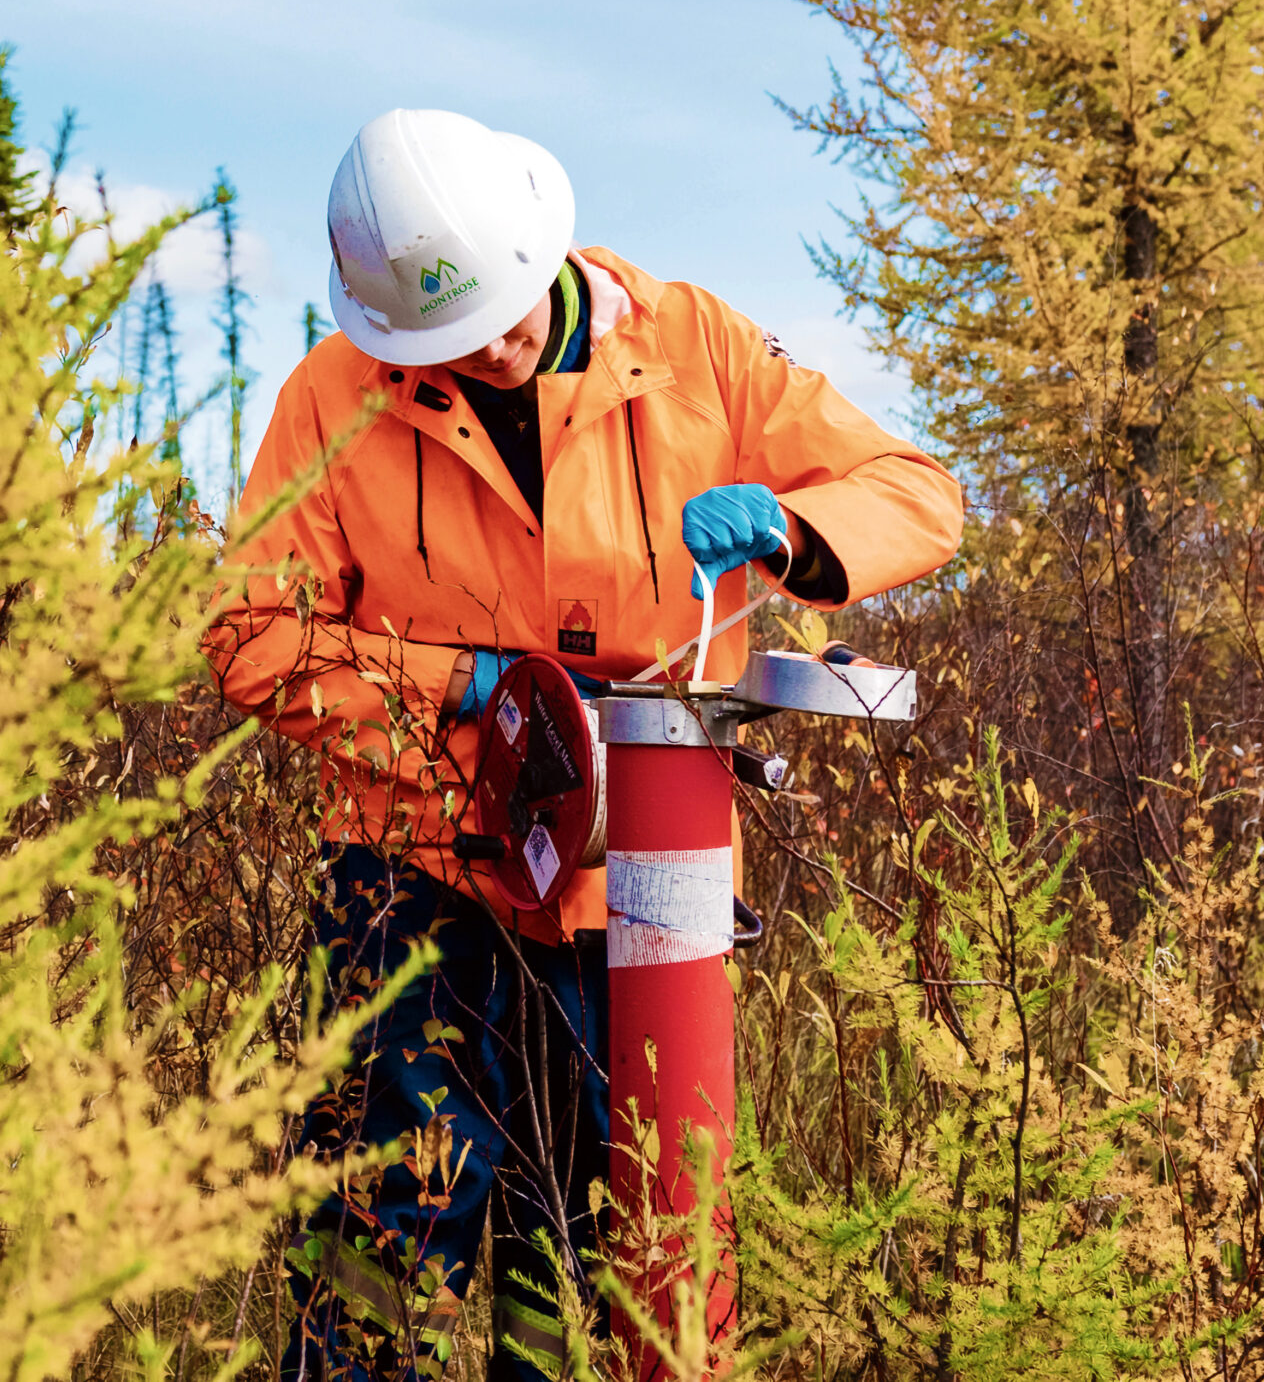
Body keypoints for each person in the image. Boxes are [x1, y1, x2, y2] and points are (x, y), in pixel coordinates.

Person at [204, 108, 963, 1381]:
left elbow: (916, 490)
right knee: (379, 1219)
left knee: (632, 1218)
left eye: (502, 317)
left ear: (541, 248)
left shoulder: (695, 349)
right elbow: (249, 635)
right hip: (415, 868)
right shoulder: (332, 397)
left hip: (645, 868)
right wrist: (468, 691)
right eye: (449, 341)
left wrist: (788, 522)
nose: (491, 355)